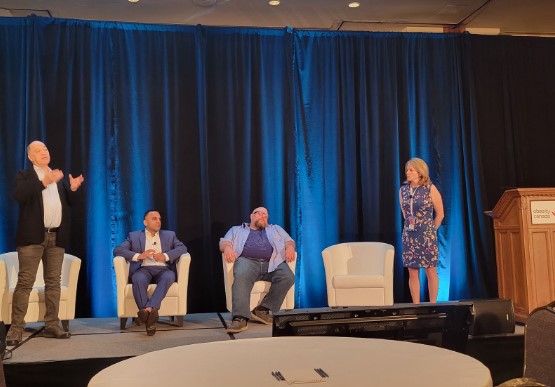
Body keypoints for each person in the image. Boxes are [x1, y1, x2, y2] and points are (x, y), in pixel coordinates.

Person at [6, 141, 85, 346]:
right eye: (38, 150)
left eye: (46, 149)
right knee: (25, 282)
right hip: (32, 238)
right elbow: (19, 195)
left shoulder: (58, 176)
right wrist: (44, 181)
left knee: (54, 283)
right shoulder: (25, 176)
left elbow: (70, 206)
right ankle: (16, 329)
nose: (44, 152)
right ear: (31, 157)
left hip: (56, 237)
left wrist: (73, 189)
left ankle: (52, 325)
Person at [220, 206, 296, 334]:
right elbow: (224, 242)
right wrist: (227, 248)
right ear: (251, 216)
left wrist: (290, 247)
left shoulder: (276, 229)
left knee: (288, 276)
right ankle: (240, 318)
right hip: (247, 261)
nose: (262, 216)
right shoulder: (237, 229)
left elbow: (289, 241)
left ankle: (263, 309)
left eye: (265, 215)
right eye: (259, 213)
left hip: (272, 262)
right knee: (241, 274)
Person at [114, 210, 187, 336]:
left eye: (159, 219)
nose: (158, 221)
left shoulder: (169, 235)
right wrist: (139, 255)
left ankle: (146, 311)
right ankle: (151, 314)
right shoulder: (134, 236)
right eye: (154, 218)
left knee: (170, 276)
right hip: (143, 269)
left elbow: (182, 248)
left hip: (163, 269)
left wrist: (165, 256)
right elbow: (118, 250)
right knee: (138, 278)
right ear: (145, 222)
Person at [399, 157, 444, 304]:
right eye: (407, 170)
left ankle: (433, 305)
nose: (408, 172)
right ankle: (416, 305)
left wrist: (430, 231)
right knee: (412, 272)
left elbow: (440, 214)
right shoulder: (403, 190)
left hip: (426, 237)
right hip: (409, 236)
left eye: (411, 170)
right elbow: (405, 214)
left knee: (430, 270)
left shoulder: (430, 188)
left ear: (420, 172)